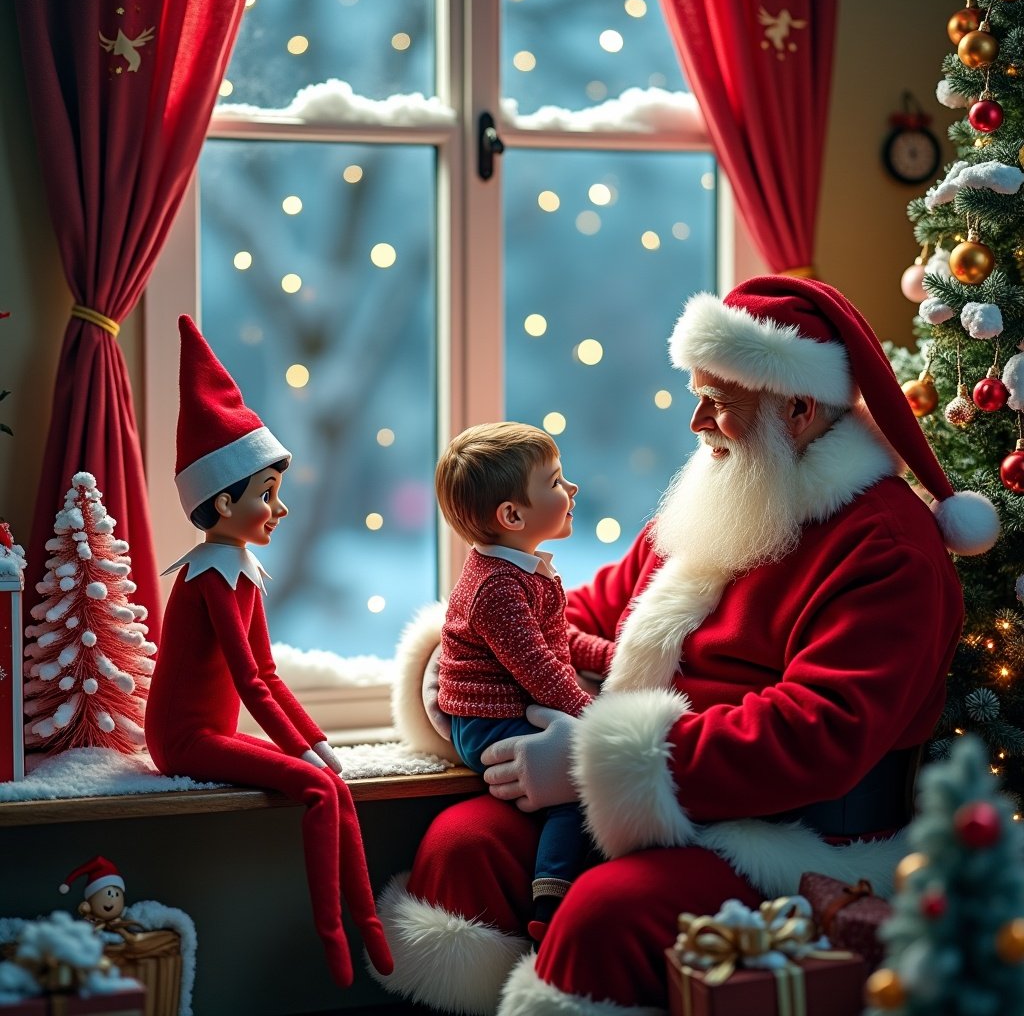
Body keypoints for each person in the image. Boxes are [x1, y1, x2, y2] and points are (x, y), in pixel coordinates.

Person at [372, 276, 1000, 1015]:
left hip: (783, 836)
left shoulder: (886, 549)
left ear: (796, 409)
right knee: (462, 847)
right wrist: (469, 651)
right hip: (645, 795)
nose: (697, 421)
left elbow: (817, 732)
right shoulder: (731, 484)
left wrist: (590, 763)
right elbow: (592, 614)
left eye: (719, 401)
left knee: (604, 917)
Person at [145, 315, 393, 990]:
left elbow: (270, 673)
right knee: (318, 786)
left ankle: (369, 927)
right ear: (222, 501)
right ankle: (337, 938)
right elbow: (250, 680)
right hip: (183, 740)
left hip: (211, 728)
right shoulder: (209, 577)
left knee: (331, 782)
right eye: (267, 496)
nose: (278, 510)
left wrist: (312, 739)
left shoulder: (240, 569)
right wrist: (305, 751)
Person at [434, 422, 615, 942]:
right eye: (556, 482)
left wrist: (612, 657)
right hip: (487, 721)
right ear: (512, 516)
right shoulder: (496, 588)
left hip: (517, 700)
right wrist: (594, 717)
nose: (572, 489)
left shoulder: (521, 571)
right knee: (573, 792)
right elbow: (539, 666)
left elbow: (560, 637)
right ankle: (550, 899)